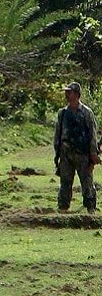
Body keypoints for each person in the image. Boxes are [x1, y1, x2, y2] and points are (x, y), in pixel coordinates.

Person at [54, 82, 99, 214]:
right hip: (66, 153)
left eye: (69, 92)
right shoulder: (62, 113)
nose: (67, 94)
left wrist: (93, 153)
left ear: (77, 94)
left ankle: (90, 208)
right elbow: (58, 133)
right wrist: (57, 153)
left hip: (82, 153)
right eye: (66, 92)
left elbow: (92, 134)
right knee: (65, 182)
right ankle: (63, 207)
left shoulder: (86, 113)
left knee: (87, 182)